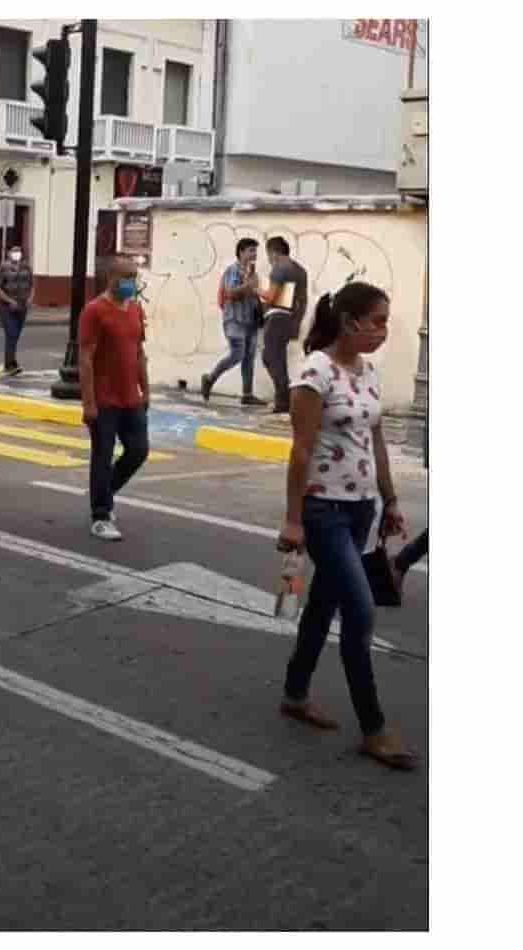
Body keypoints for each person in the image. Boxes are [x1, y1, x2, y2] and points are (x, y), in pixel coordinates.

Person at [278, 281, 417, 771]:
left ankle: (295, 692)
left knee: (323, 602)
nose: (384, 329)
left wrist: (391, 498)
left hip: (361, 508)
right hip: (323, 511)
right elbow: (299, 451)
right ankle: (374, 728)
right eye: (377, 320)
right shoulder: (316, 371)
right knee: (360, 612)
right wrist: (293, 519)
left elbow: (375, 442)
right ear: (351, 322)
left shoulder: (369, 373)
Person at [79, 257, 150, 542]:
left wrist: (146, 389)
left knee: (138, 450)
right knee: (102, 455)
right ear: (111, 277)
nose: (132, 282)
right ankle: (100, 515)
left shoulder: (135, 308)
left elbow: (139, 352)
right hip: (104, 399)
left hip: (131, 397)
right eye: (127, 276)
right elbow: (85, 358)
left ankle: (104, 491)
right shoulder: (94, 311)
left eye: (134, 276)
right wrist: (88, 403)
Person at [202, 238, 267, 407]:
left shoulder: (252, 273)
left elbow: (253, 293)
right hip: (235, 320)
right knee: (237, 354)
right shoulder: (233, 270)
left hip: (250, 320)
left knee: (249, 357)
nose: (254, 254)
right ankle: (210, 378)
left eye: (255, 250)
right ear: (241, 252)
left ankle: (247, 394)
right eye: (251, 250)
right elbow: (230, 293)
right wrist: (248, 285)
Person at [260, 236, 308, 414]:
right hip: (290, 318)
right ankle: (284, 396)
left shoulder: (279, 268)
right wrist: (297, 322)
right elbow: (303, 300)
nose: (269, 259)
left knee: (272, 358)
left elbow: (271, 297)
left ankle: (284, 400)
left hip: (276, 318)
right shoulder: (300, 271)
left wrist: (255, 288)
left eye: (269, 255)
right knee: (273, 358)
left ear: (273, 252)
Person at [0, 244, 34, 376]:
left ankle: (11, 362)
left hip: (22, 306)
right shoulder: (2, 268)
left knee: (15, 336)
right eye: (14, 251)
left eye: (19, 251)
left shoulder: (26, 267)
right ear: (9, 253)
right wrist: (10, 301)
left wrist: (30, 299)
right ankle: (10, 364)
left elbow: (32, 285)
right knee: (11, 333)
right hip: (7, 308)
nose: (17, 253)